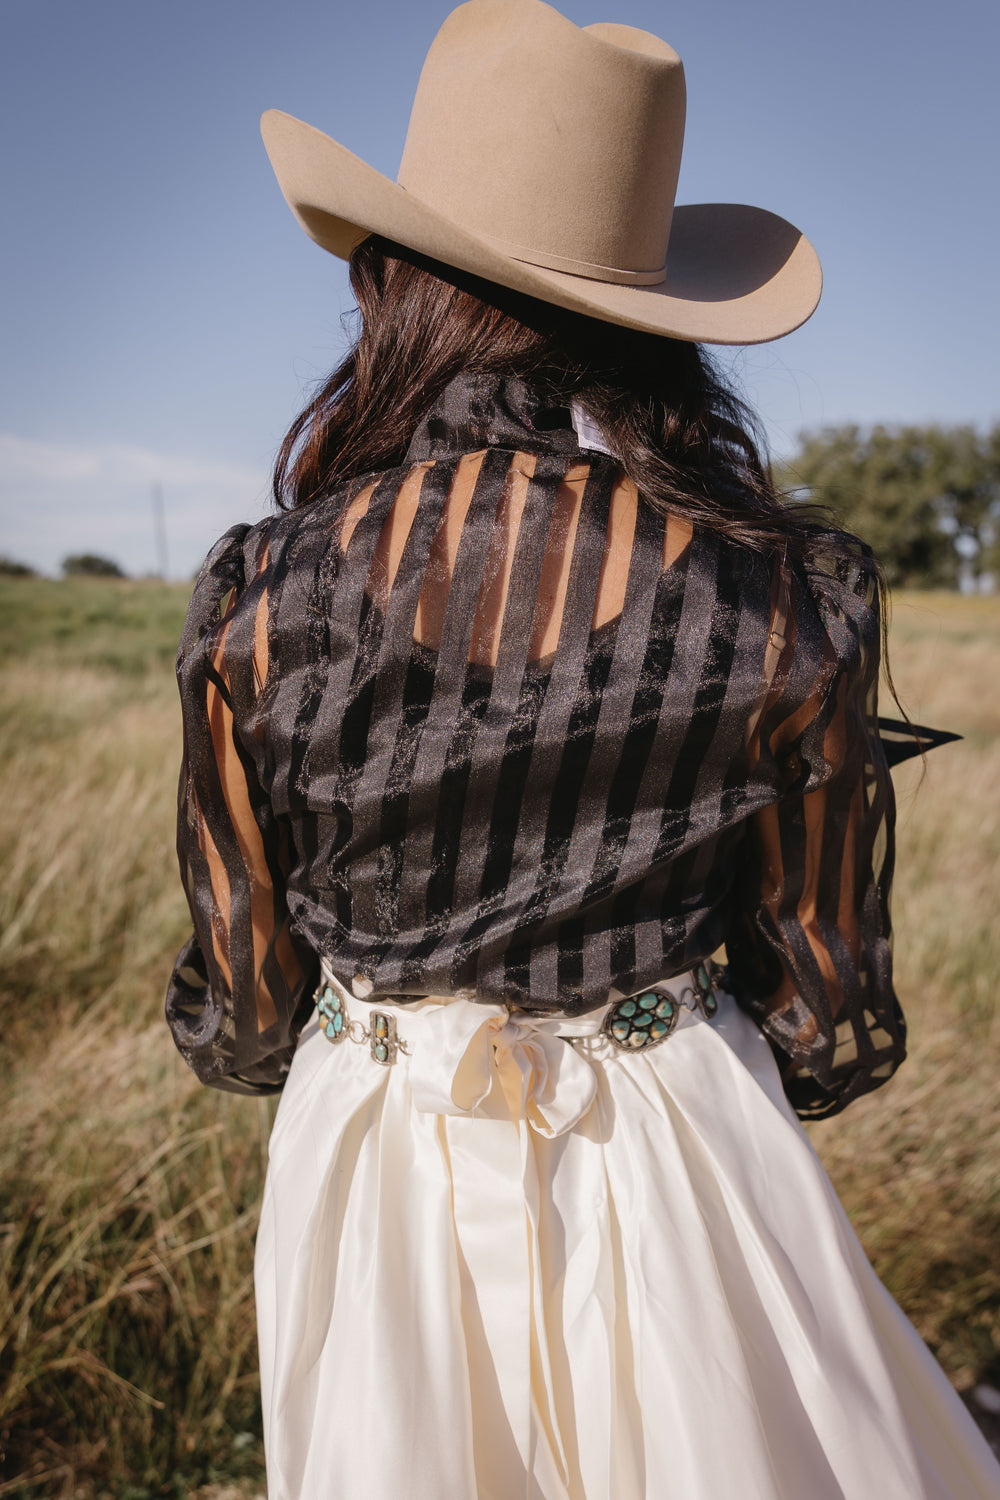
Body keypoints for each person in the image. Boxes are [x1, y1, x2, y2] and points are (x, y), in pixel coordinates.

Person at [165, 4, 1000, 1497]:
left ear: (392, 281)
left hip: (373, 1165)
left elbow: (239, 1008)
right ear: (654, 314)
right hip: (675, 1143)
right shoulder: (781, 598)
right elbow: (823, 999)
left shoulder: (266, 592)